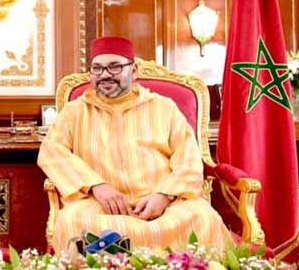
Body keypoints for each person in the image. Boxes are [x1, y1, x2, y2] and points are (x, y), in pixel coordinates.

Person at [38, 36, 231, 253]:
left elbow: (188, 157)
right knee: (72, 221)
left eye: (115, 67)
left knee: (202, 218)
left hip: (162, 202)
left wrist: (164, 195)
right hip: (100, 205)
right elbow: (51, 152)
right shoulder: (75, 110)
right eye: (97, 68)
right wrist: (96, 186)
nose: (105, 75)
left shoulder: (164, 107)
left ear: (134, 70)